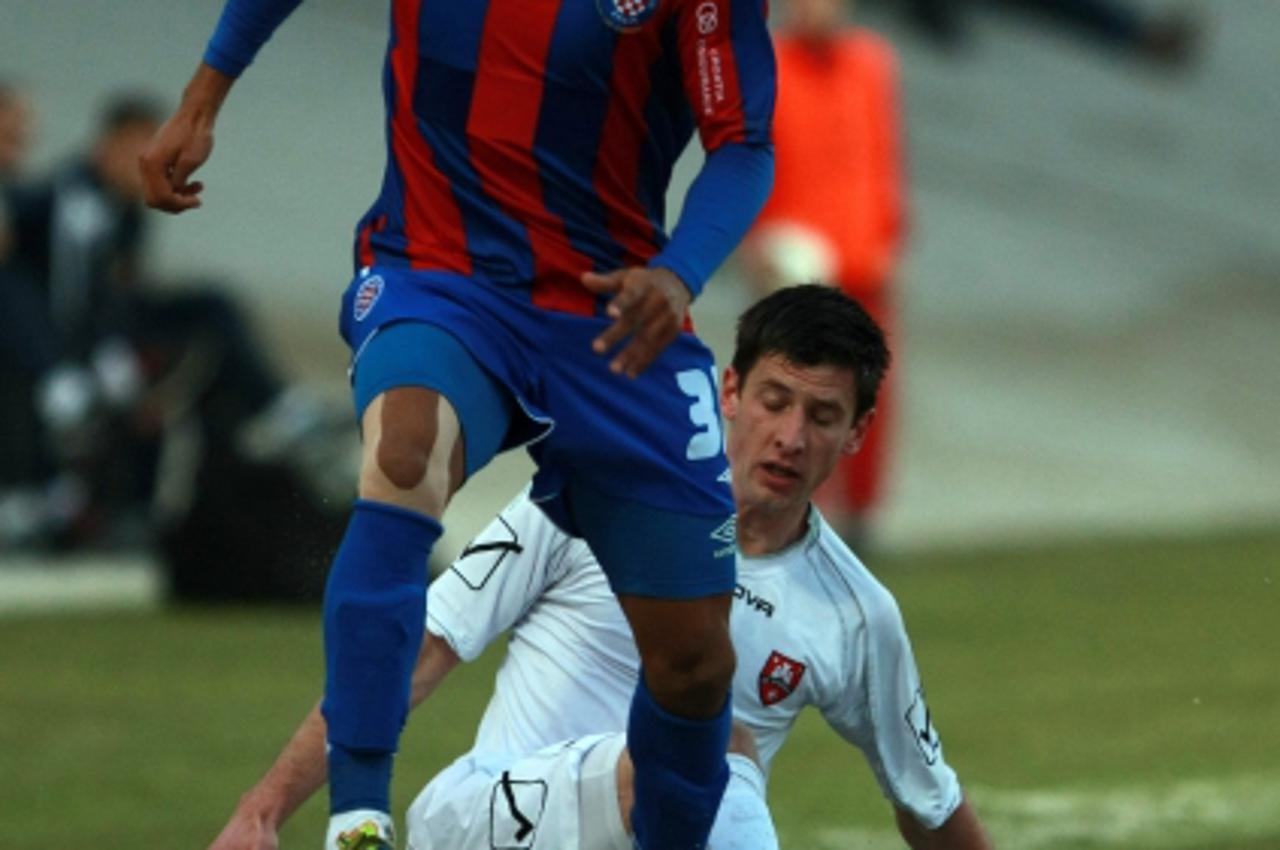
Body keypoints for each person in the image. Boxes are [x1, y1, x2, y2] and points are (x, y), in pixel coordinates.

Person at [140, 1, 776, 847]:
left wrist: (678, 273)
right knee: (406, 450)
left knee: (695, 666)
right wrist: (202, 97)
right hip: (440, 273)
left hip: (614, 311)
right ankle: (359, 822)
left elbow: (743, 144)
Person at [206, 286, 993, 850]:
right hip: (480, 820)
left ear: (857, 434)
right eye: (774, 401)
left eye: (821, 416)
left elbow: (928, 800)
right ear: (729, 391)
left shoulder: (858, 615)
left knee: (703, 756)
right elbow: (417, 652)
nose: (789, 436)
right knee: (715, 746)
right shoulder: (593, 497)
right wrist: (265, 808)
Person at [0, 92, 332, 550]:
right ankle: (51, 495)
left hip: (102, 336)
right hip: (59, 348)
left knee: (210, 314)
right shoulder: (62, 196)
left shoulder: (125, 210)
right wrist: (77, 359)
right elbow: (58, 294)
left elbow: (118, 289)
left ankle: (276, 410)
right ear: (108, 145)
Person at [741, 0, 907, 548]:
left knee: (870, 401)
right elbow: (745, 158)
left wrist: (890, 233)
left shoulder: (872, 63)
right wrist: (758, 241)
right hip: (800, 274)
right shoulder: (767, 66)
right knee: (796, 405)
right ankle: (787, 519)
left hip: (865, 262)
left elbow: (883, 155)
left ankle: (860, 523)